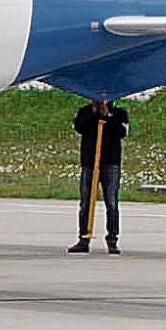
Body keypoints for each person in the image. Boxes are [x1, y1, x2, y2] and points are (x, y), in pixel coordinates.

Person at [67, 99, 130, 254]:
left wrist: (107, 115)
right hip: (90, 162)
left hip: (110, 162)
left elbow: (122, 132)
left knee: (112, 202)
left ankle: (112, 239)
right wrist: (94, 113)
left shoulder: (120, 114)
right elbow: (79, 127)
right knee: (86, 202)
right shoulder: (85, 112)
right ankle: (83, 238)